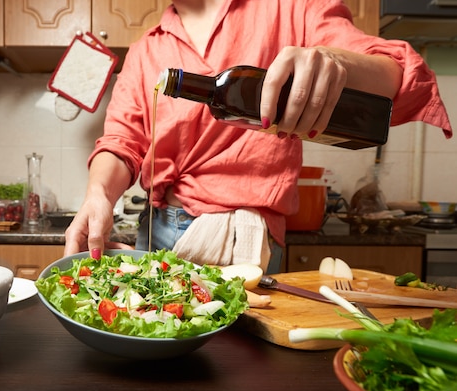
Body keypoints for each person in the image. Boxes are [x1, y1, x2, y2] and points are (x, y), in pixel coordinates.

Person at [64, 0, 452, 273]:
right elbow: (121, 142)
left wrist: (337, 63)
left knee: (244, 377)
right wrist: (98, 194)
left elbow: (400, 76)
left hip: (249, 239)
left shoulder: (290, 8)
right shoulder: (146, 49)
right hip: (161, 229)